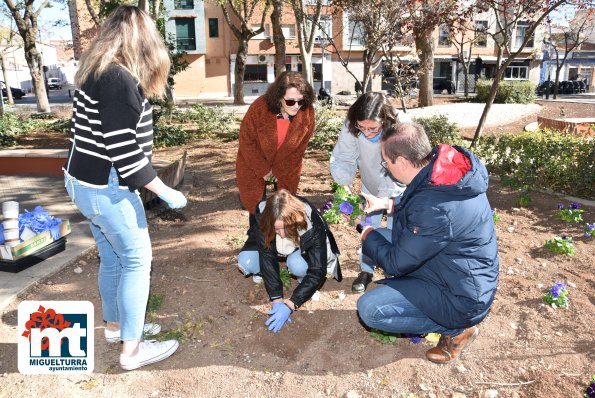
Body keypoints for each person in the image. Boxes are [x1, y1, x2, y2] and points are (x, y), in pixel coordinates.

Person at [63, 6, 186, 371]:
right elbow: (124, 151)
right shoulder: (117, 79)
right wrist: (164, 190)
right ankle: (132, 351)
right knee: (137, 261)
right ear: (142, 39)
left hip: (84, 183)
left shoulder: (97, 70)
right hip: (106, 188)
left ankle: (117, 327)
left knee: (114, 258)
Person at [354, 123, 499, 363]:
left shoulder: (434, 209)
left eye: (385, 163)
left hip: (461, 297)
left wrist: (366, 232)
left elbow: (395, 263)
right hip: (460, 269)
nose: (386, 168)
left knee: (371, 310)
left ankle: (458, 329)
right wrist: (388, 205)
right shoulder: (446, 173)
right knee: (388, 237)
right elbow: (425, 203)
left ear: (401, 161)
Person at [236, 71, 316, 281]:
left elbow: (299, 149)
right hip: (253, 162)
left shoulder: (306, 113)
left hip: (287, 164)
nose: (296, 106)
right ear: (279, 97)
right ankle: (260, 257)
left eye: (301, 101)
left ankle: (288, 250)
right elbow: (246, 142)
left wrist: (278, 172)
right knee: (258, 209)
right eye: (290, 101)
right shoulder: (260, 108)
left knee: (285, 207)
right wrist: (263, 169)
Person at [330, 92, 411, 293]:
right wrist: (344, 185)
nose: (366, 132)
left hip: (398, 187)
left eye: (372, 128)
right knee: (368, 229)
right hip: (370, 182)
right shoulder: (352, 125)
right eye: (361, 127)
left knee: (397, 233)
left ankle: (395, 273)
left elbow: (400, 168)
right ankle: (367, 270)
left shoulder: (401, 128)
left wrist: (383, 201)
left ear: (385, 119)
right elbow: (344, 157)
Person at [239, 189, 342, 333]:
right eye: (276, 229)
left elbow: (318, 269)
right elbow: (267, 256)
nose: (281, 234)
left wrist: (292, 304)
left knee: (298, 265)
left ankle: (304, 283)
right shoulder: (264, 215)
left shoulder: (310, 220)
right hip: (278, 248)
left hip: (299, 248)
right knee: (246, 261)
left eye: (285, 228)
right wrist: (276, 299)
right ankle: (260, 272)